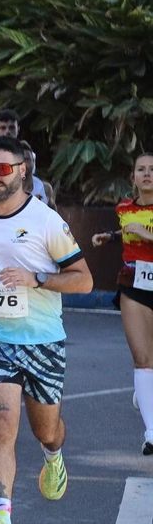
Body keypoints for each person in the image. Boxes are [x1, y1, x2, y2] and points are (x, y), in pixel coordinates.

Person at [0, 136, 93, 524]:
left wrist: (38, 279)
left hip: (43, 341)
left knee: (44, 430)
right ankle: (1, 521)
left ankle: (53, 455)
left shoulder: (46, 221)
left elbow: (84, 280)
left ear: (22, 171)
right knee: (1, 427)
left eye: (2, 169)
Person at [92, 151, 153, 453]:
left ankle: (145, 393)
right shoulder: (124, 208)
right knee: (142, 358)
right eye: (141, 169)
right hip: (133, 285)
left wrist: (145, 233)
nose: (147, 174)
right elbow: (129, 230)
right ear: (133, 177)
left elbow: (141, 230)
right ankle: (152, 432)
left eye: (152, 169)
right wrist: (110, 236)